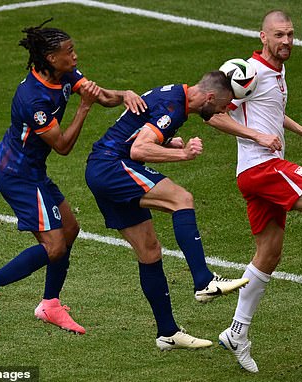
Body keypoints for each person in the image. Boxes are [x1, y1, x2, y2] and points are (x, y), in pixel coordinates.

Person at [0, 20, 147, 334]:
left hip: (32, 171)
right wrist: (83, 109)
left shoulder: (64, 74)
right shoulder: (34, 100)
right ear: (51, 58)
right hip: (18, 174)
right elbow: (63, 145)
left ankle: (50, 304)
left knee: (70, 229)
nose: (75, 56)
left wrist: (125, 95)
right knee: (54, 247)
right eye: (69, 51)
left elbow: (100, 94)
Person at [206, 10, 302, 372]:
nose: (286, 41)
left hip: (255, 173)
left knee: (268, 254)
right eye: (279, 35)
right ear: (262, 37)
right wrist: (257, 136)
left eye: (290, 35)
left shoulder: (276, 71)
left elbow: (267, 110)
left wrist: (301, 130)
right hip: (262, 168)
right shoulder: (247, 73)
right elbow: (212, 113)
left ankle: (236, 332)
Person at [85, 71, 251, 350]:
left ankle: (167, 333)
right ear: (210, 97)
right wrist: (182, 154)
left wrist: (168, 142)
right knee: (181, 199)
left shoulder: (176, 96)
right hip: (112, 166)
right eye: (223, 106)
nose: (223, 111)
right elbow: (139, 150)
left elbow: (139, 132)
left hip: (102, 168)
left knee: (149, 252)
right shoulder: (175, 106)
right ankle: (204, 280)